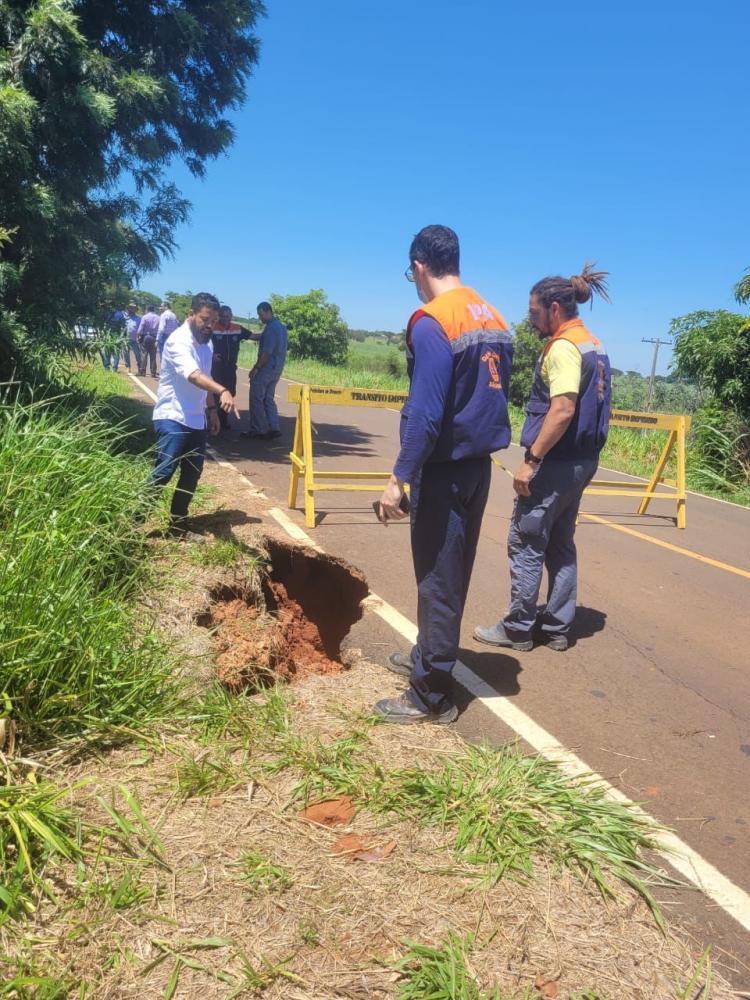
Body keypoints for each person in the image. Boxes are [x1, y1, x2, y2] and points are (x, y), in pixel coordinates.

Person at [373, 225, 513, 725]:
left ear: (419, 266)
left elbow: (427, 412)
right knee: (449, 572)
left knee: (437, 577)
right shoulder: (492, 315)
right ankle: (425, 656)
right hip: (478, 467)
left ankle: (430, 693)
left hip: (446, 470)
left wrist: (399, 479)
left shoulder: (432, 321)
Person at [474, 265, 611, 653]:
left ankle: (518, 628)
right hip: (583, 461)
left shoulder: (565, 348)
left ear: (554, 308)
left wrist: (532, 459)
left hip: (555, 462)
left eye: (533, 312)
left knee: (526, 540)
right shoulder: (592, 343)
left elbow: (563, 409)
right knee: (561, 542)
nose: (530, 319)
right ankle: (555, 627)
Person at [147, 292, 239, 537]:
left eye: (213, 321)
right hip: (172, 415)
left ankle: (177, 526)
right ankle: (131, 522)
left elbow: (204, 378)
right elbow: (194, 375)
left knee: (192, 474)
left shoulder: (206, 343)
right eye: (205, 319)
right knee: (164, 471)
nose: (209, 326)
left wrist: (212, 412)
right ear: (191, 314)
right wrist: (223, 391)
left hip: (196, 419)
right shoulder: (179, 341)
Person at [241, 302, 288, 440]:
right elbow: (260, 337)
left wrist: (256, 368)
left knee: (256, 398)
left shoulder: (271, 328)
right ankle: (274, 427)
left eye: (261, 315)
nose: (260, 318)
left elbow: (266, 353)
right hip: (277, 369)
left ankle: (258, 429)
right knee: (268, 399)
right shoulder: (281, 327)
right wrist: (243, 333)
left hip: (266, 369)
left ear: (268, 312)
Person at [210, 305, 256, 430]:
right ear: (219, 316)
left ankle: (223, 418)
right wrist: (211, 355)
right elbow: (201, 343)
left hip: (231, 368)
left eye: (228, 316)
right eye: (223, 316)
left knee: (230, 392)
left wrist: (272, 331)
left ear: (231, 316)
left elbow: (254, 336)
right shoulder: (212, 328)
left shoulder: (237, 328)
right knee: (216, 392)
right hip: (216, 367)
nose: (225, 319)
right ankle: (215, 419)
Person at [137, 306, 160, 377]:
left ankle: (142, 371)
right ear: (153, 310)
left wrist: (138, 335)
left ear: (147, 310)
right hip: (154, 337)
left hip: (145, 337)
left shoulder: (145, 317)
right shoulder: (158, 317)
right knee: (153, 356)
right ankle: (153, 372)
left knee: (144, 354)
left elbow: (141, 328)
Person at [121, 302, 142, 373]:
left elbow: (140, 329)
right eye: (130, 308)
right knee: (126, 353)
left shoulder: (139, 319)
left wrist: (139, 337)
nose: (131, 309)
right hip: (125, 339)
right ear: (128, 309)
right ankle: (128, 367)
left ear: (135, 310)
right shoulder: (125, 318)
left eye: (133, 308)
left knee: (137, 354)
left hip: (135, 339)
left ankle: (140, 367)